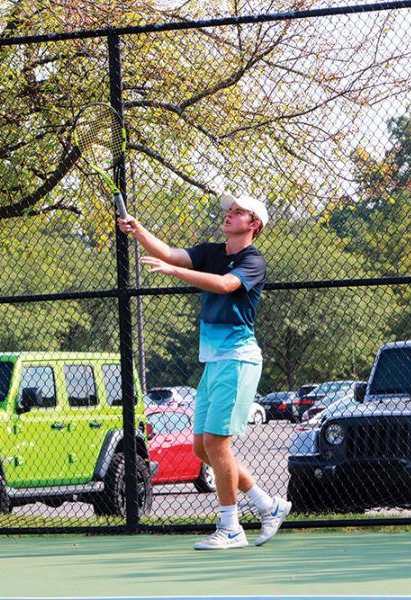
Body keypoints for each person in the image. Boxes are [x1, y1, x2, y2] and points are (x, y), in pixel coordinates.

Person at [118, 192, 291, 550]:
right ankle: (266, 504)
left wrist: (178, 273)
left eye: (238, 212)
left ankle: (231, 528)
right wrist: (138, 231)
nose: (229, 215)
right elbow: (169, 253)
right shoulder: (212, 251)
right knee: (201, 449)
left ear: (254, 224)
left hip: (238, 360)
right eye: (229, 210)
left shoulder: (252, 260)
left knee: (217, 443)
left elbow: (227, 285)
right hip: (214, 362)